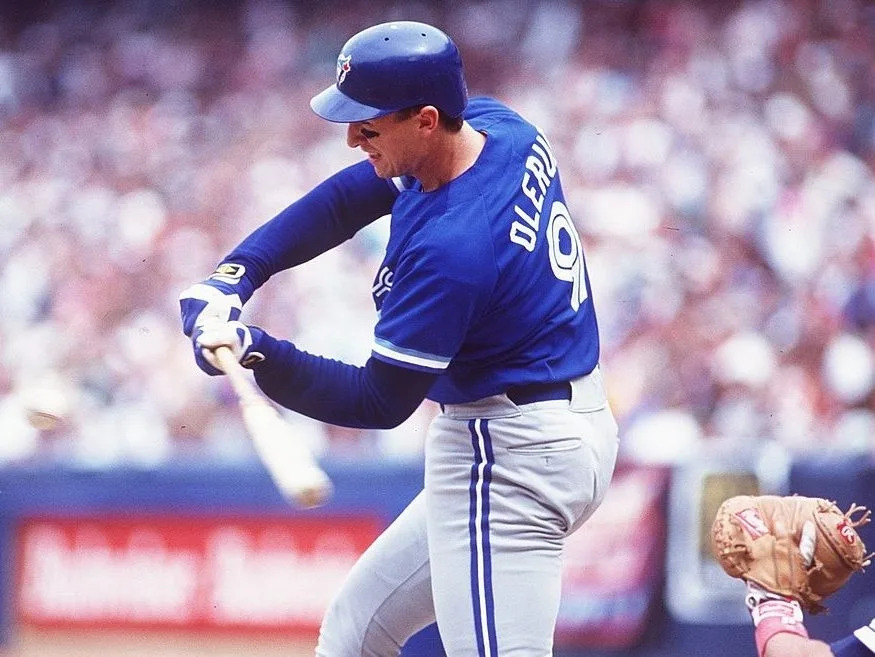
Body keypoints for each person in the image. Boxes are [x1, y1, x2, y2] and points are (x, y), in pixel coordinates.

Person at [179, 20, 619, 657]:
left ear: (426, 119)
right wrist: (236, 274)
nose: (354, 137)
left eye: (370, 124)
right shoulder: (497, 129)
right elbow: (347, 198)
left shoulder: (455, 247)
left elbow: (376, 402)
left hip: (511, 455)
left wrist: (256, 350)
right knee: (356, 633)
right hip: (558, 419)